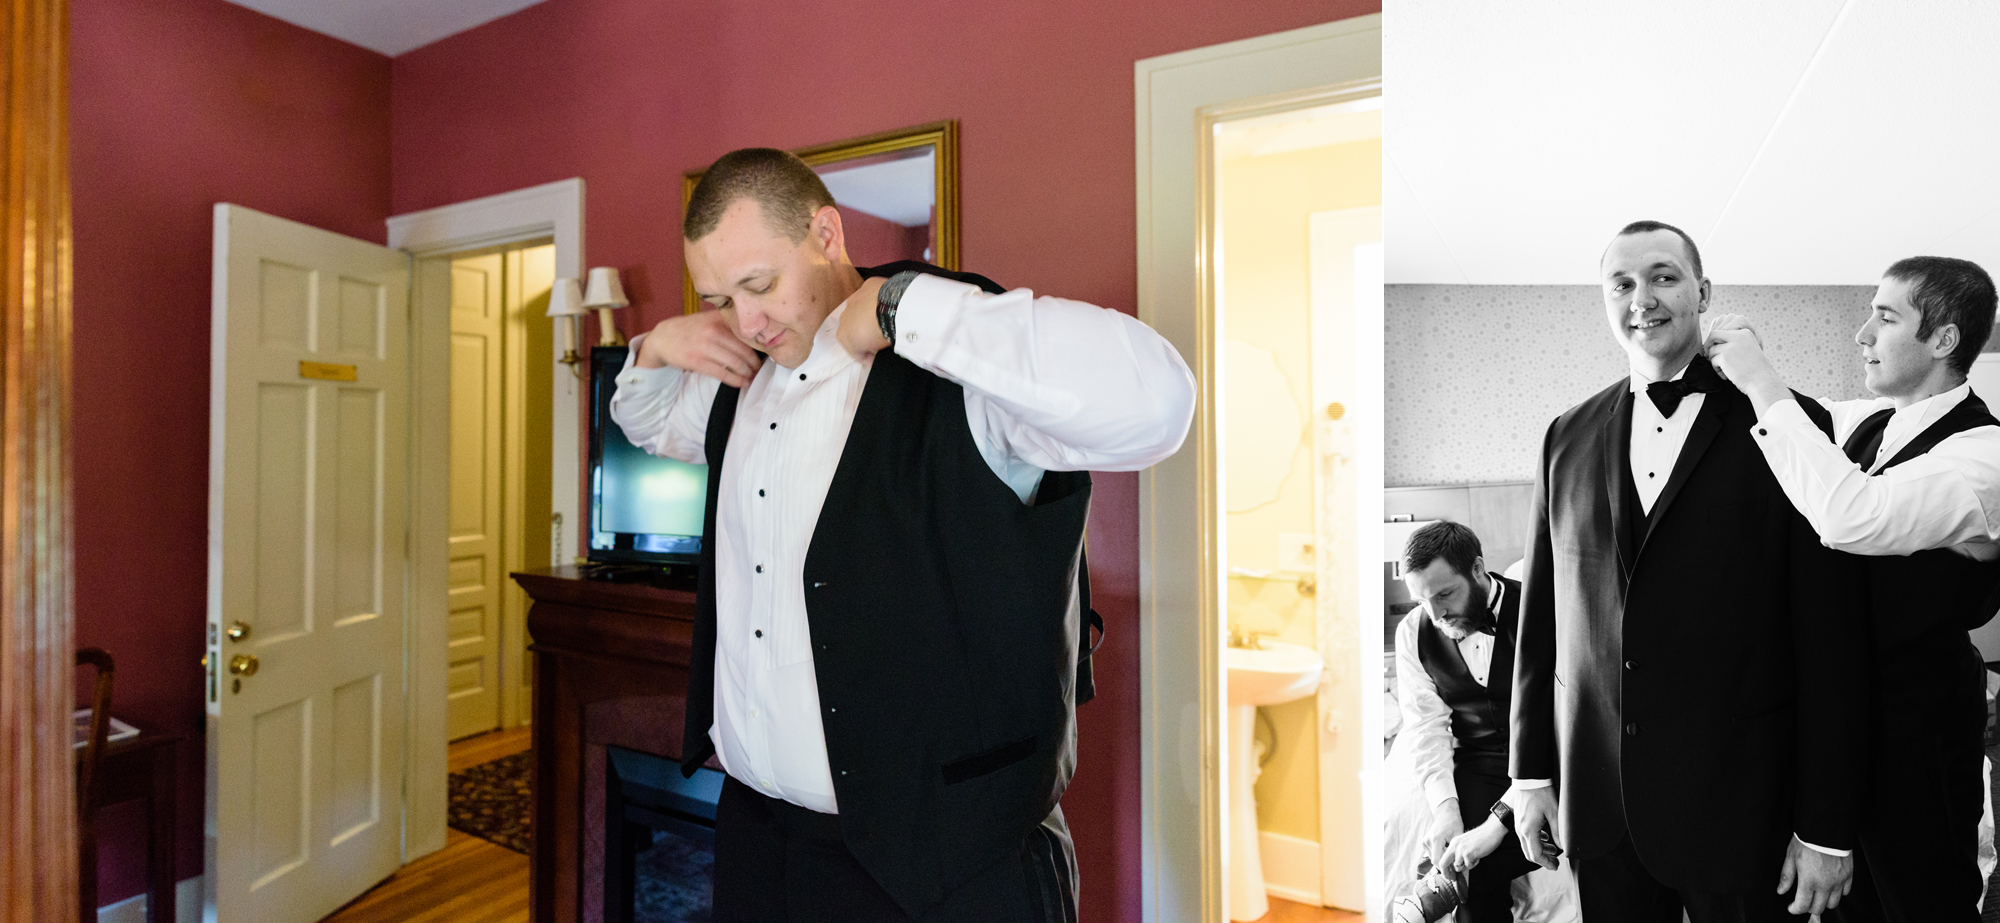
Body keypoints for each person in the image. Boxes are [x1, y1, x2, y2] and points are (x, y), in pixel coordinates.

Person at [607, 147, 1194, 923]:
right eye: (720, 297)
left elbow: (1157, 404)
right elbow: (644, 420)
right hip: (759, 838)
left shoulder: (955, 361)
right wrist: (656, 348)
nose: (745, 320)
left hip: (946, 862)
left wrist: (900, 308)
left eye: (759, 284)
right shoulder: (739, 377)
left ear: (825, 232)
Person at [1502, 220, 1870, 921]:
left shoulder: (1793, 426)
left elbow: (1831, 641)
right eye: (1622, 282)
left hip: (1743, 807)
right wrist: (1529, 774)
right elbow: (1542, 618)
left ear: (1702, 292)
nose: (1642, 296)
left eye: (1663, 276)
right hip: (1602, 808)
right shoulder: (1565, 435)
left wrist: (1826, 825)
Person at [1705, 256, 2000, 923]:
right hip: (1844, 730)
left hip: (1919, 738)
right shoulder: (1872, 422)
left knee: (1924, 905)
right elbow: (1804, 424)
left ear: (1945, 340)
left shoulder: (1985, 455)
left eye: (1885, 316)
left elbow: (1850, 515)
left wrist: (1759, 375)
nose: (1861, 334)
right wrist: (1739, 361)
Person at [1392, 521, 1538, 922]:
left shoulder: (1541, 609)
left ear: (1477, 569)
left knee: (1475, 862)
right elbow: (1425, 727)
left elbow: (1566, 720)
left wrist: (1498, 822)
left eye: (1445, 594)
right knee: (1459, 852)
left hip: (1549, 758)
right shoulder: (1412, 633)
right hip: (1477, 762)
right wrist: (1445, 808)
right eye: (1423, 601)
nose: (1436, 614)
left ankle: (1434, 894)